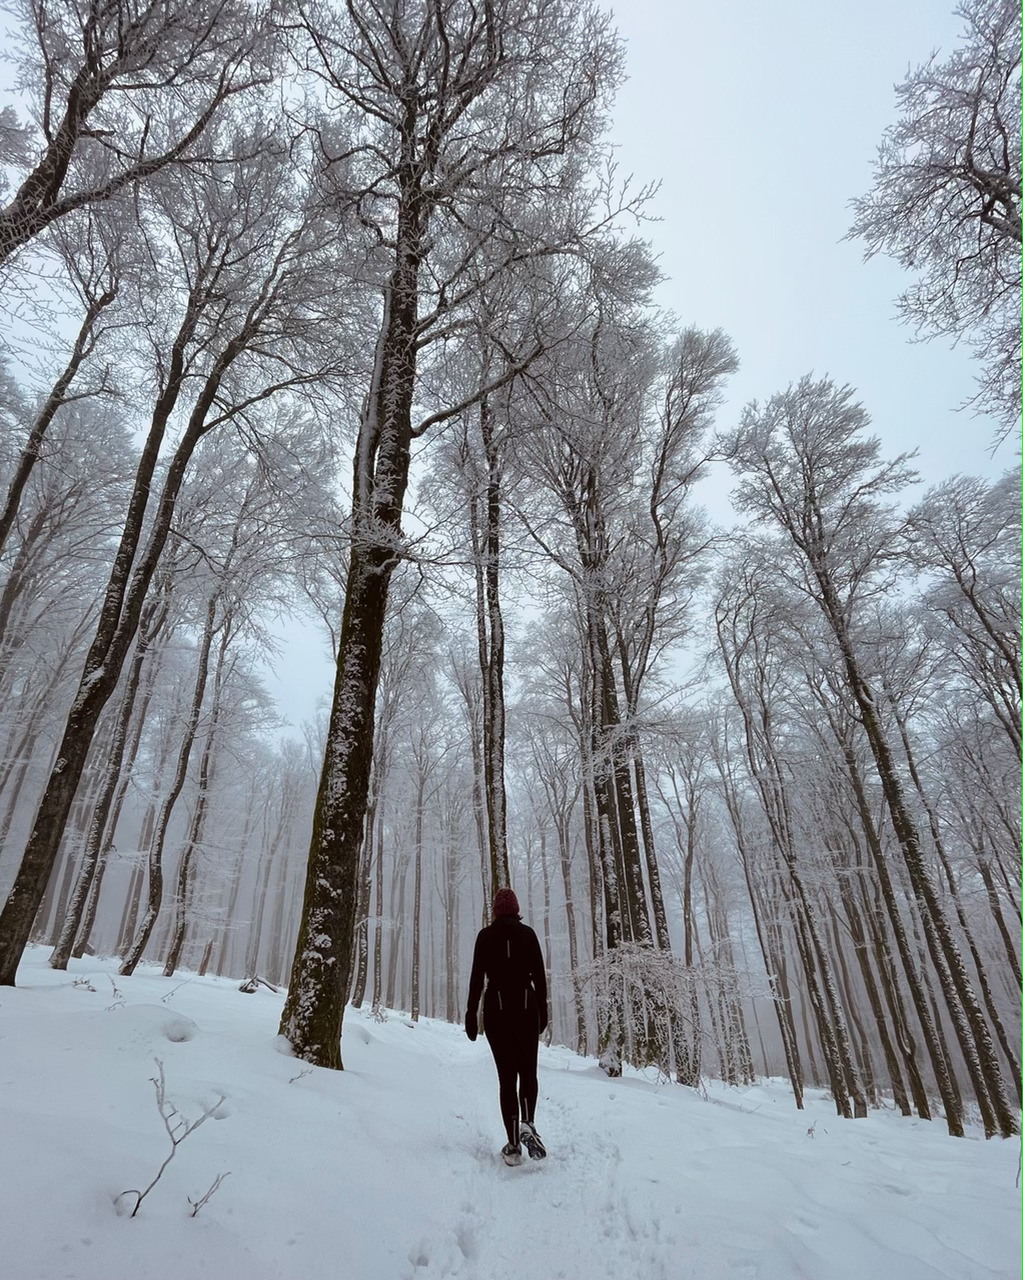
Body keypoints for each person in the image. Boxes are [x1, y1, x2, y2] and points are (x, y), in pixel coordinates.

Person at [464, 887, 548, 1166]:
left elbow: (477, 978)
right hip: (527, 1009)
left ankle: (513, 1146)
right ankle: (528, 1123)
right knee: (528, 1071)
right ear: (516, 909)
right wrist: (543, 1011)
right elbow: (539, 976)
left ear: (496, 911)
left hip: (497, 1013)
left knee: (506, 1079)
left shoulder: (485, 937)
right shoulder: (529, 935)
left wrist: (470, 1013)